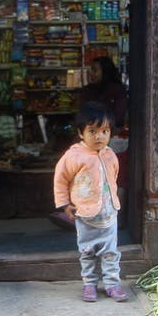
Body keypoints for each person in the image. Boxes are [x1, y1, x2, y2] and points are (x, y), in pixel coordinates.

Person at [53, 101, 126, 302]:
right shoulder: (73, 156)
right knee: (87, 252)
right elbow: (61, 180)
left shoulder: (110, 155)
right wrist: (65, 204)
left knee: (111, 252)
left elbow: (114, 177)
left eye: (104, 131)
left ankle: (112, 284)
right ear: (80, 133)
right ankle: (89, 285)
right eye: (92, 131)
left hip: (109, 214)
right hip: (84, 214)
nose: (99, 136)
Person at [80, 56, 128, 131]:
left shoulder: (117, 90)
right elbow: (83, 114)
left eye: (95, 70)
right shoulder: (88, 90)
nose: (91, 74)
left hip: (112, 133)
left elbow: (119, 118)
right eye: (91, 70)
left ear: (106, 72)